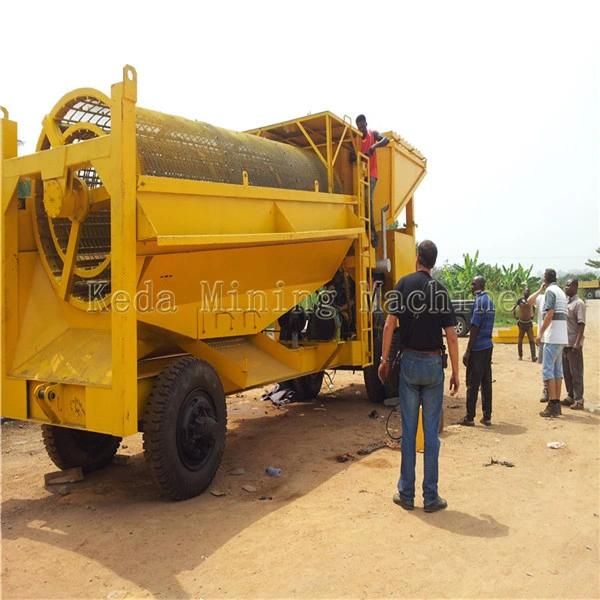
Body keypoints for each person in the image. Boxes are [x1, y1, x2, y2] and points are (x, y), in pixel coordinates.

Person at [378, 240, 459, 513]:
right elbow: (451, 335)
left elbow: (390, 324)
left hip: (410, 363)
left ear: (417, 258)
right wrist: (457, 373)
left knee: (410, 432)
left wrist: (384, 360)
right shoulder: (441, 290)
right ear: (433, 262)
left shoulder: (403, 284)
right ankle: (431, 497)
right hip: (434, 365)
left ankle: (406, 493)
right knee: (432, 435)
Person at [460, 276, 496, 426]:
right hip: (488, 346)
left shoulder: (479, 302)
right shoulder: (490, 301)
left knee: (472, 383)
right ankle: (487, 416)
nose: (471, 286)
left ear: (479, 285)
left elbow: (474, 327)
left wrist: (468, 350)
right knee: (486, 382)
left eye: (473, 283)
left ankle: (469, 417)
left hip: (478, 348)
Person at [536, 268, 568, 418]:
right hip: (562, 337)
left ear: (545, 279)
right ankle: (556, 404)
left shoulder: (550, 291)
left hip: (552, 336)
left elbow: (549, 314)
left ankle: (553, 404)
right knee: (557, 371)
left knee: (548, 371)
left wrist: (540, 333)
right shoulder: (561, 292)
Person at [355, 114, 389, 247]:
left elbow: (386, 140)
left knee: (367, 198)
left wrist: (374, 147)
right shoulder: (357, 139)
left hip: (372, 174)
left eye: (363, 126)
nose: (361, 129)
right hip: (361, 176)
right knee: (360, 201)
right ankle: (363, 227)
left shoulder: (373, 134)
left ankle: (373, 233)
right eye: (359, 127)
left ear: (366, 124)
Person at [561, 279, 586, 410]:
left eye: (568, 285)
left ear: (575, 286)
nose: (566, 287)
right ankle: (570, 396)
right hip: (564, 343)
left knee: (576, 372)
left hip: (573, 344)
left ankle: (579, 399)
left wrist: (577, 343)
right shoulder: (566, 302)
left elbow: (581, 324)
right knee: (566, 372)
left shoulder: (579, 303)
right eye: (565, 285)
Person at [528, 282, 548, 402]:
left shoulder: (558, 297)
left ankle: (550, 392)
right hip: (543, 338)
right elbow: (530, 301)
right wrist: (540, 289)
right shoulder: (541, 298)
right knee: (545, 367)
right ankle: (546, 390)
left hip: (552, 338)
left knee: (551, 367)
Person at [512, 288, 537, 361]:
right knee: (520, 340)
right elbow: (514, 308)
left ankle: (533, 357)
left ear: (529, 293)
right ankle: (520, 355)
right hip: (521, 323)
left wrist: (533, 315)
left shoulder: (531, 300)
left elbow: (533, 307)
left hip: (528, 323)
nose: (527, 293)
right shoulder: (520, 300)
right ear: (523, 292)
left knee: (531, 340)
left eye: (528, 292)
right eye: (525, 291)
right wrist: (515, 316)